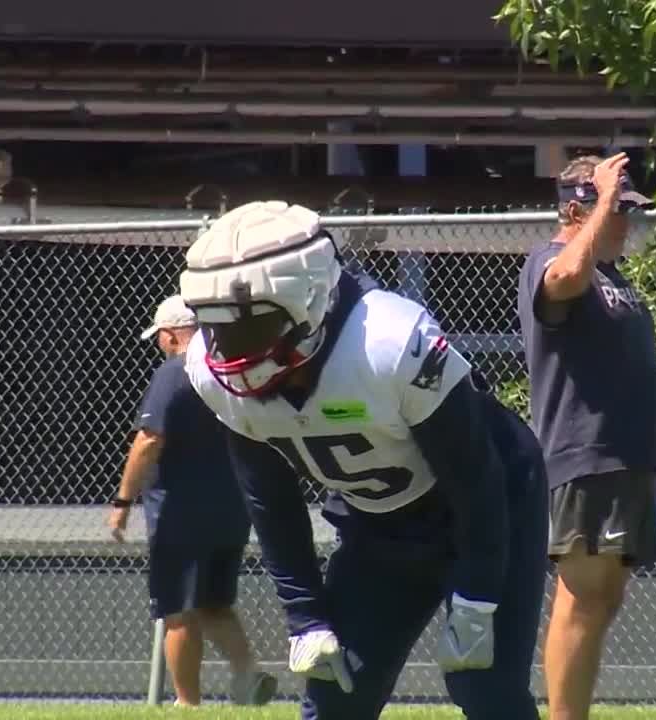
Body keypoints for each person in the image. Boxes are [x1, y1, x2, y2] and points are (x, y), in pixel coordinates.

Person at [177, 201, 548, 720]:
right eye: (214, 327)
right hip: (379, 523)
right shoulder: (210, 373)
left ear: (308, 301)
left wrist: (479, 593)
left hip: (492, 504)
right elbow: (269, 498)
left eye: (248, 328)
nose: (226, 350)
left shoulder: (388, 342)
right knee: (336, 699)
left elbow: (476, 478)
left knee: (487, 691)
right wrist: (305, 615)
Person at [516, 152, 656, 720]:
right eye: (619, 209)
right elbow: (562, 281)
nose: (628, 222)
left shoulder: (611, 277)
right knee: (582, 593)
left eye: (627, 209)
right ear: (576, 208)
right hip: (583, 455)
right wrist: (603, 199)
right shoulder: (551, 260)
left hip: (625, 458)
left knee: (604, 597)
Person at [107, 295, 277, 707]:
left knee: (177, 612)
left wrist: (122, 501)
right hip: (232, 508)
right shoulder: (231, 370)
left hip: (180, 513)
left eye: (160, 337)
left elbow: (149, 439)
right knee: (213, 602)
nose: (159, 344)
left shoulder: (173, 373)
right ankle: (247, 675)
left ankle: (187, 704)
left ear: (171, 335)